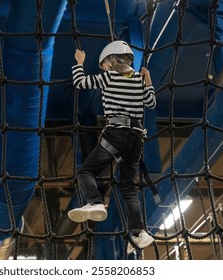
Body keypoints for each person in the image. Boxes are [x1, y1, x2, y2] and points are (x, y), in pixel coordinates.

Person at [67, 40, 156, 254]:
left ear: (110, 61)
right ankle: (139, 233)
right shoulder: (137, 79)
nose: (104, 68)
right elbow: (151, 102)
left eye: (104, 64)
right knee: (128, 187)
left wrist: (80, 62)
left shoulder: (108, 77)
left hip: (116, 134)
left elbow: (80, 82)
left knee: (86, 171)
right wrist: (148, 79)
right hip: (136, 139)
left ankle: (95, 202)